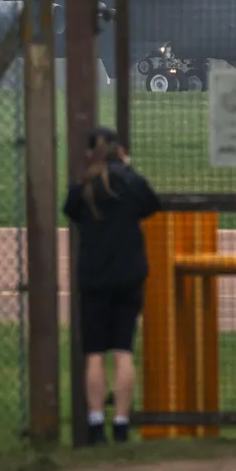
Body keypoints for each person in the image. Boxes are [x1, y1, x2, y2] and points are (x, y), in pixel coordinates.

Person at [62, 126, 161, 446]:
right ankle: (120, 422)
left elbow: (70, 210)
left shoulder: (84, 186)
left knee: (93, 353)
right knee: (123, 350)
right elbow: (151, 204)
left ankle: (94, 424)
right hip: (129, 274)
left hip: (94, 275)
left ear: (91, 152)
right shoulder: (130, 182)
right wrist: (127, 168)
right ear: (119, 150)